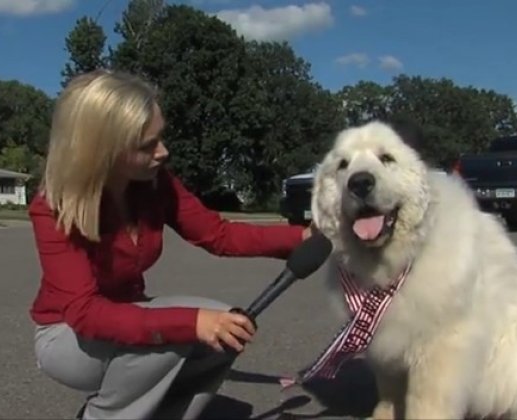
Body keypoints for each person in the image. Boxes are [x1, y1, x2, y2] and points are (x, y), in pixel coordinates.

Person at [28, 69, 312, 420]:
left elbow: (218, 234)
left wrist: (302, 237)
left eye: (161, 137)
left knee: (226, 330)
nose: (163, 152)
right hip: (67, 338)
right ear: (102, 150)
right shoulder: (54, 207)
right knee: (175, 333)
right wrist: (191, 324)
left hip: (126, 317)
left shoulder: (153, 183)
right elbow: (86, 314)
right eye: (146, 145)